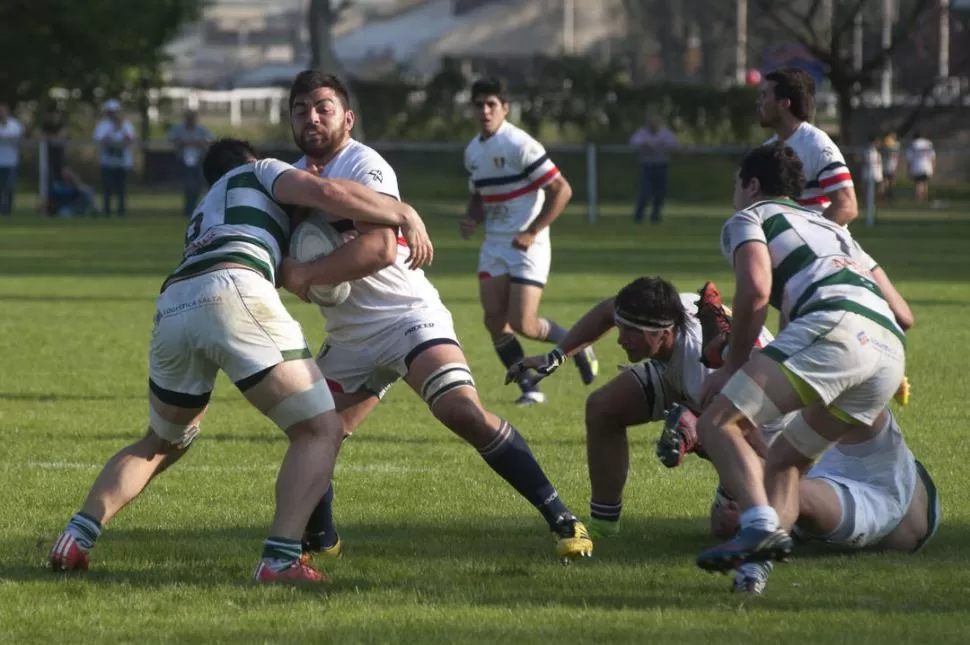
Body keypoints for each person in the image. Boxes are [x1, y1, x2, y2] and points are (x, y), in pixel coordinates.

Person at [47, 137, 434, 583]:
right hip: (232, 289)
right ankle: (280, 560)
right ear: (252, 162)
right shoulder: (262, 170)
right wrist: (402, 212)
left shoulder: (205, 207)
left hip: (175, 301)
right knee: (320, 429)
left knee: (162, 441)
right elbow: (327, 193)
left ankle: (77, 536)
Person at [280, 70, 593, 564]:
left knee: (460, 411)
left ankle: (562, 517)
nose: (312, 117)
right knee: (317, 432)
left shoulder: (364, 165)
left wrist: (305, 272)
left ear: (348, 117)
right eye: (301, 110)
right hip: (348, 337)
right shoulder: (291, 179)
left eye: (323, 107)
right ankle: (322, 540)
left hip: (408, 320)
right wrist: (288, 270)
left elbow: (381, 248)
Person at [693, 142, 907, 574]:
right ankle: (755, 570)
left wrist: (733, 366)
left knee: (717, 422)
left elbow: (754, 289)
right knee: (785, 461)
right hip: (889, 353)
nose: (735, 193)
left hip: (836, 328)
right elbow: (903, 312)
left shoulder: (750, 217)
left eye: (738, 182)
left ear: (752, 185)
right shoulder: (834, 229)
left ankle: (757, 525)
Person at [506, 277, 773, 540]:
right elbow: (606, 311)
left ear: (663, 333)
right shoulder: (664, 317)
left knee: (726, 526)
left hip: (765, 425)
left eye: (632, 332)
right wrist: (557, 355)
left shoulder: (700, 367)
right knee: (603, 408)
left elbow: (745, 442)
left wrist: (693, 436)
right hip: (691, 384)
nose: (622, 339)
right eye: (622, 328)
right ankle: (603, 524)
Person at [460, 76, 598, 406]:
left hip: (528, 244)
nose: (485, 111)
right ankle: (529, 387)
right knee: (494, 320)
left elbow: (561, 189)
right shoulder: (473, 152)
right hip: (494, 244)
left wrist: (532, 231)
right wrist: (471, 217)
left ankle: (579, 345)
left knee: (524, 323)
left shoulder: (521, 145)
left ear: (505, 108)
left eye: (491, 104)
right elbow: (479, 193)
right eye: (479, 104)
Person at [757, 68, 857, 226]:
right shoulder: (767, 150)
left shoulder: (816, 145)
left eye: (764, 96)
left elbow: (846, 206)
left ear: (784, 103)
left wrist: (808, 240)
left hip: (820, 249)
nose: (759, 101)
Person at [629, 110, 678, 224]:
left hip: (662, 165)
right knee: (644, 192)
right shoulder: (642, 133)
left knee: (659, 193)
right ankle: (639, 216)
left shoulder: (665, 133)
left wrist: (660, 144)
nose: (653, 122)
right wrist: (646, 143)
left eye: (655, 120)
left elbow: (673, 144)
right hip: (647, 165)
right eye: (650, 120)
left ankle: (656, 216)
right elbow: (634, 142)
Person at [93, 99, 135, 216]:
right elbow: (99, 139)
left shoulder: (126, 124)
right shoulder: (103, 125)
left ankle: (121, 211)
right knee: (107, 188)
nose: (113, 114)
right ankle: (107, 211)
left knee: (121, 188)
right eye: (111, 112)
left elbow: (130, 139)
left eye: (115, 111)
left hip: (123, 162)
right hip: (107, 161)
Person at [168, 109, 213, 218]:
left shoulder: (201, 130)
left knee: (197, 185)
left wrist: (195, 142)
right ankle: (188, 208)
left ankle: (195, 207)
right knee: (188, 185)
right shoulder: (179, 129)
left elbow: (210, 140)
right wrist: (185, 142)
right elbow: (172, 138)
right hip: (184, 160)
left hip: (198, 160)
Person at [0, 102, 24, 215]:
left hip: (11, 162)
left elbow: (16, 139)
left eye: (3, 111)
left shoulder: (15, 125)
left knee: (9, 188)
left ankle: (8, 211)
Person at [905, 131, 935, 204]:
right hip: (927, 167)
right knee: (925, 183)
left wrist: (908, 170)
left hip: (916, 167)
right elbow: (933, 157)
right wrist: (933, 168)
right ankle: (925, 199)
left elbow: (909, 158)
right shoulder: (928, 143)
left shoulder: (912, 144)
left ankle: (918, 200)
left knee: (917, 184)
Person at [879, 132, 900, 205]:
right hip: (888, 166)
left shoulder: (894, 144)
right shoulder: (889, 143)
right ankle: (885, 196)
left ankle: (888, 195)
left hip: (890, 166)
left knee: (889, 182)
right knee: (886, 182)